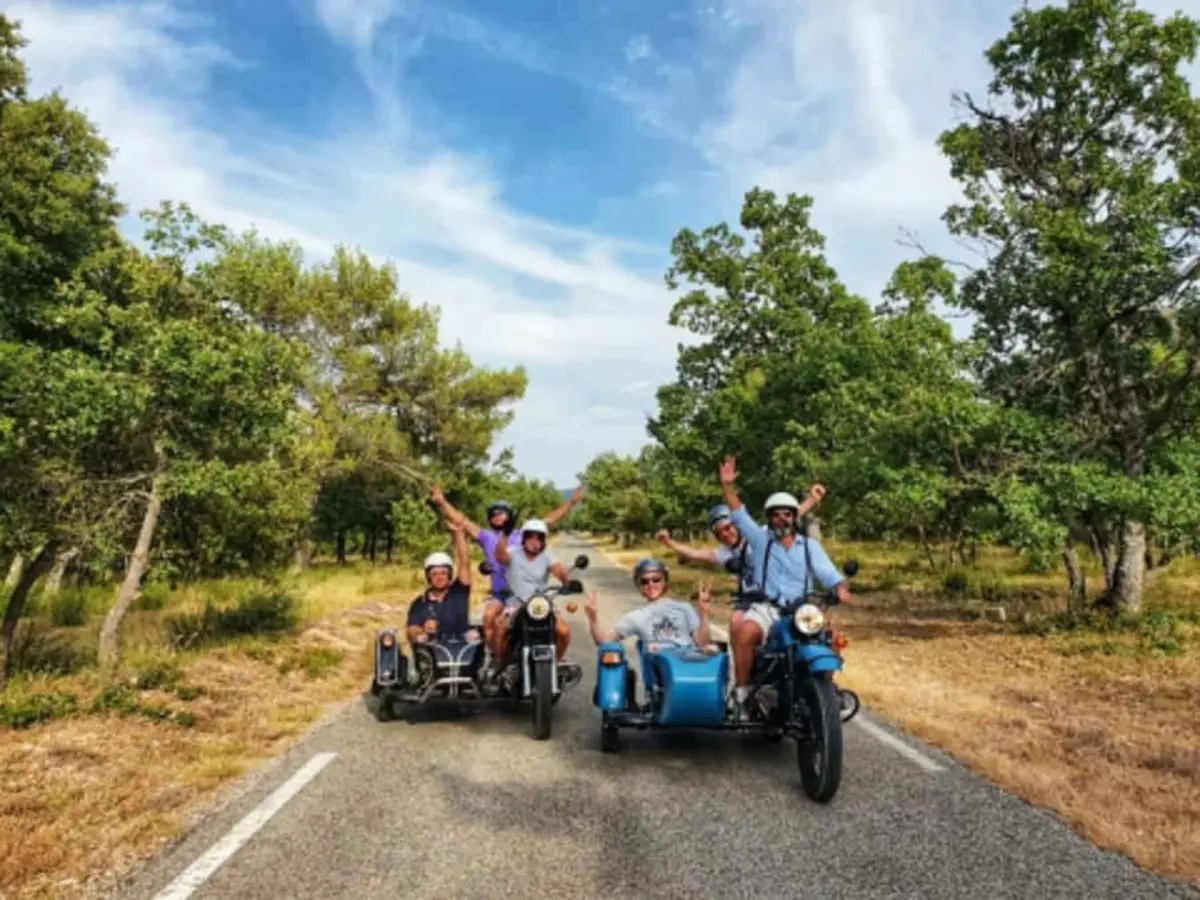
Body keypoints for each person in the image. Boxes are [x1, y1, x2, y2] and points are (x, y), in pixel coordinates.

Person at [716, 455, 847, 716]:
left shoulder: (809, 546)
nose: (782, 519)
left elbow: (829, 573)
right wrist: (727, 486)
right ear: (769, 519)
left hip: (802, 610)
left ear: (794, 517)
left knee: (831, 639)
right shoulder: (760, 539)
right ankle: (742, 692)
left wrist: (840, 588)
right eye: (776, 515)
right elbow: (739, 514)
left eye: (787, 514)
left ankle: (825, 689)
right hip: (768, 608)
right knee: (744, 633)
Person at [429, 484, 584, 663]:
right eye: (494, 514)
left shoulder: (524, 535)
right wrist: (442, 503)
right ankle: (496, 657)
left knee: (560, 628)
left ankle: (555, 662)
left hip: (533, 597)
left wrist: (571, 503)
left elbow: (549, 520)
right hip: (501, 595)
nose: (497, 517)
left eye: (501, 513)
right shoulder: (486, 536)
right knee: (489, 618)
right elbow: (463, 521)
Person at [655, 495, 823, 636]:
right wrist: (668, 542)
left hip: (774, 592)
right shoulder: (726, 553)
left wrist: (812, 499)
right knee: (735, 623)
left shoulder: (759, 536)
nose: (726, 534)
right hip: (749, 598)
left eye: (728, 528)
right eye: (719, 533)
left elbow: (787, 517)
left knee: (811, 626)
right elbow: (694, 553)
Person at [492, 518, 574, 667]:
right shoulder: (513, 552)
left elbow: (558, 571)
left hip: (541, 605)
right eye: (530, 537)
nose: (534, 541)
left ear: (543, 541)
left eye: (539, 538)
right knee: (500, 627)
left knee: (563, 631)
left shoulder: (548, 556)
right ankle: (499, 664)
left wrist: (567, 582)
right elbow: (500, 557)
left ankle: (555, 663)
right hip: (516, 604)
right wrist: (505, 535)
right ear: (524, 538)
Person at [583, 558, 712, 649]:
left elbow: (702, 643)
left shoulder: (684, 608)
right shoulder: (636, 616)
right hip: (658, 672)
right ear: (639, 587)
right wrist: (593, 618)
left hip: (687, 666)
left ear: (664, 582)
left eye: (656, 579)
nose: (651, 584)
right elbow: (604, 642)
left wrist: (704, 614)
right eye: (644, 581)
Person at [405, 520, 478, 647]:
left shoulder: (459, 592)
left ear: (449, 575)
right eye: (434, 574)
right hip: (433, 651)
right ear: (428, 576)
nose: (439, 577)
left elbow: (464, 561)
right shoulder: (419, 603)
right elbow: (411, 629)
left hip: (461, 648)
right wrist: (422, 631)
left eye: (443, 573)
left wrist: (458, 534)